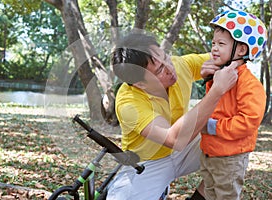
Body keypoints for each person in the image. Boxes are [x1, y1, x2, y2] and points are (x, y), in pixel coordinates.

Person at [106, 31, 239, 200]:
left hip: (188, 147)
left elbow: (229, 55)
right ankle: (156, 188)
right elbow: (174, 139)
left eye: (166, 57)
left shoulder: (179, 64)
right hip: (147, 162)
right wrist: (216, 91)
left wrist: (226, 61)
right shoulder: (128, 103)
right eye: (160, 69)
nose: (170, 68)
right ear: (140, 83)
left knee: (235, 140)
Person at [199, 10, 267, 200]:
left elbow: (248, 121)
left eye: (221, 44)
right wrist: (209, 81)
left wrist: (211, 126)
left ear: (241, 50)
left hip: (230, 157)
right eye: (213, 43)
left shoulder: (249, 84)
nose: (214, 48)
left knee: (226, 195)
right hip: (210, 151)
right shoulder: (219, 76)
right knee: (210, 193)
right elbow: (215, 105)